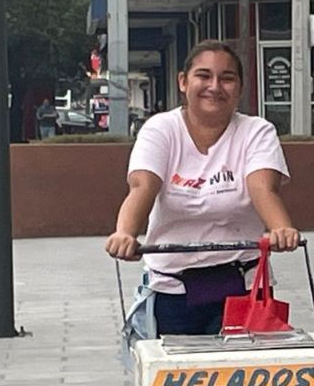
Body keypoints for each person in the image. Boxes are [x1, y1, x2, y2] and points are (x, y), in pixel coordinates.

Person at [105, 39, 300, 338]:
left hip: (243, 286)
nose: (215, 86)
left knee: (244, 367)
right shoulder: (160, 129)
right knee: (173, 365)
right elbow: (143, 186)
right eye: (204, 76)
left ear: (240, 87)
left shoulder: (257, 131)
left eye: (227, 78)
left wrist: (281, 229)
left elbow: (263, 187)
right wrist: (125, 233)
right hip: (172, 288)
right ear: (183, 82)